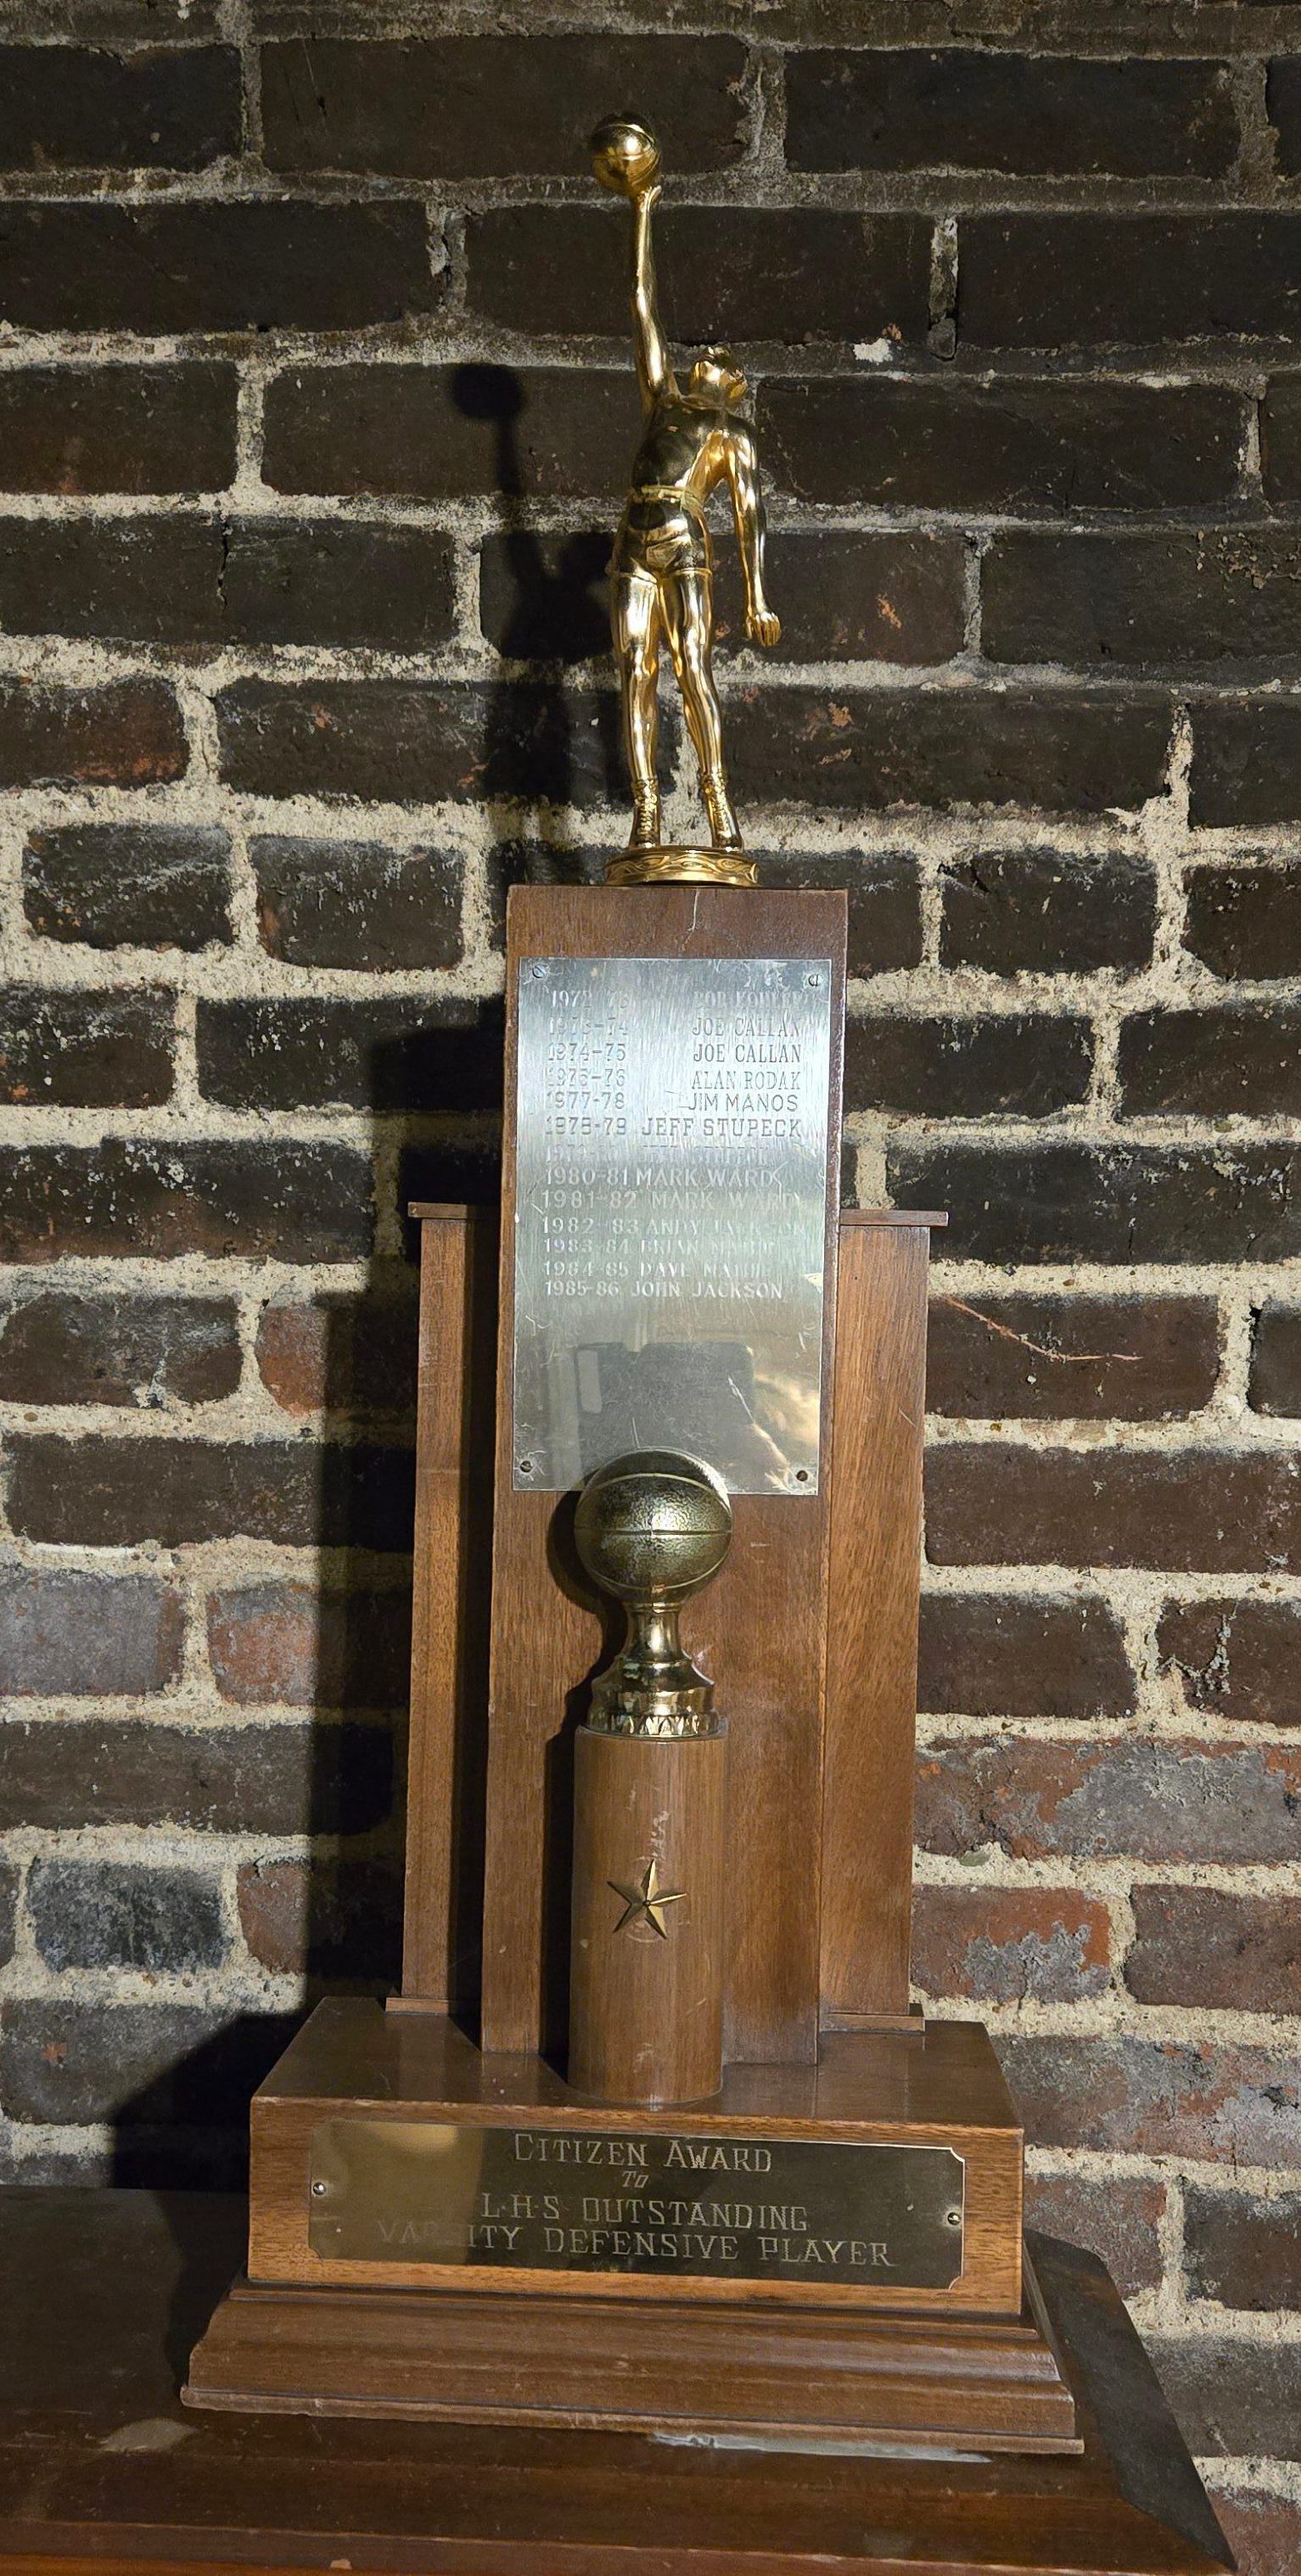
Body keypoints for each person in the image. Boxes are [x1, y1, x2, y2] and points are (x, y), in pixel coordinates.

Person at [608, 176, 781, 856]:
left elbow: (749, 514)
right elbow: (641, 303)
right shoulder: (662, 402)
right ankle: (646, 807)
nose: (707, 355)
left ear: (733, 384)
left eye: (720, 359)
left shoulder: (731, 432)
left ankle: (716, 801)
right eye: (706, 354)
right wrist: (641, 211)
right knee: (634, 668)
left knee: (691, 668)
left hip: (683, 539)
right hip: (633, 538)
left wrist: (756, 597)